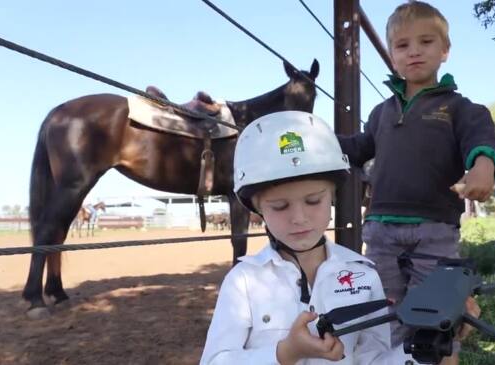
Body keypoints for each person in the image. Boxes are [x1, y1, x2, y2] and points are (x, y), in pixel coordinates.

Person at [200, 111, 479, 365]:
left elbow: (374, 359)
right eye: (280, 206)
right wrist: (285, 353)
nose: (299, 217)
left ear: (332, 196)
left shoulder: (362, 275)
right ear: (257, 208)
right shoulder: (244, 281)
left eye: (313, 201)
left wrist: (438, 342)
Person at [337, 1, 495, 362]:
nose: (414, 52)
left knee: (437, 320)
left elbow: (481, 142)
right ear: (393, 56)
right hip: (380, 232)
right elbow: (358, 148)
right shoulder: (381, 113)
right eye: (402, 45)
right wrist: (319, 141)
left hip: (435, 231)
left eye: (426, 42)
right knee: (385, 316)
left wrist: (483, 166)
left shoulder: (461, 108)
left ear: (444, 51)